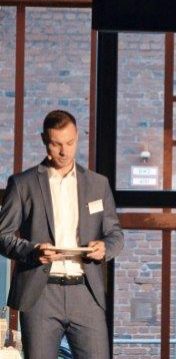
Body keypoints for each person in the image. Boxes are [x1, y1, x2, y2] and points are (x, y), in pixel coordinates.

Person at [0, 110, 124, 359]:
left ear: (77, 137)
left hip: (86, 292)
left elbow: (115, 234)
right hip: (41, 294)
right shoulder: (23, 184)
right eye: (56, 144)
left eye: (70, 143)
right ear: (44, 140)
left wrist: (104, 248)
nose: (64, 152)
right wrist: (33, 251)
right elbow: (3, 236)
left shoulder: (98, 184)